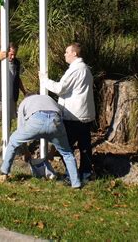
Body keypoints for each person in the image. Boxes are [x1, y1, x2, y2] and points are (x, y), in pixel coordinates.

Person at [40, 42, 95, 182]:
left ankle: (72, 176)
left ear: (74, 53)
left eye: (67, 52)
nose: (65, 54)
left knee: (65, 147)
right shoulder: (85, 68)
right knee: (85, 147)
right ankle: (85, 174)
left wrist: (44, 80)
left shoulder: (76, 69)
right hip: (84, 115)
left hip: (74, 116)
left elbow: (60, 88)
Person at [0, 94, 81, 189]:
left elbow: (20, 128)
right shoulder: (49, 99)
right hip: (55, 121)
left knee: (13, 141)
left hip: (36, 120)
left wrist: (26, 152)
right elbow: (60, 125)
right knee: (67, 153)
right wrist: (52, 152)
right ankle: (76, 184)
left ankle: (4, 173)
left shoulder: (24, 102)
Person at [0, 43, 26, 147]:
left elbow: (17, 79)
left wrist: (24, 91)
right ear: (6, 53)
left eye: (14, 54)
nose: (12, 57)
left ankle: (5, 141)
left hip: (12, 96)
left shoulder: (16, 63)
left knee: (9, 119)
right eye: (11, 54)